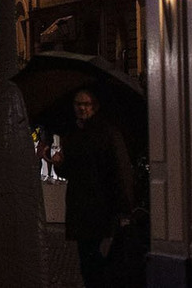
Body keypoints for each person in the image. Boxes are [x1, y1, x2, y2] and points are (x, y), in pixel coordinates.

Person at [44, 88, 134, 288]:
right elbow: (70, 171)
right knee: (87, 258)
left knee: (97, 259)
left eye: (86, 104)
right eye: (78, 104)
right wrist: (59, 164)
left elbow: (120, 170)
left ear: (95, 107)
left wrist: (124, 207)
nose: (82, 108)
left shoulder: (108, 133)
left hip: (102, 205)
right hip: (81, 205)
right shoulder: (74, 134)